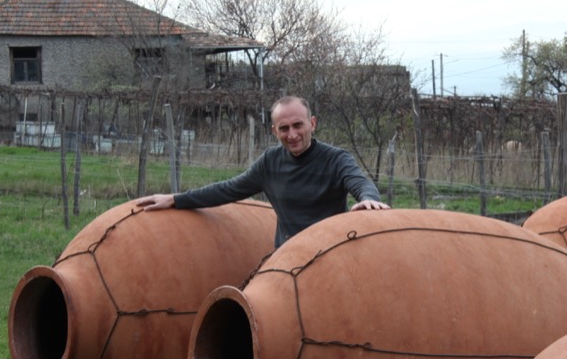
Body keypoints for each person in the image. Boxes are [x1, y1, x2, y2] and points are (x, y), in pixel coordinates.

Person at [136, 95, 390, 246]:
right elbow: (228, 189)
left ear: (312, 123)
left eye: (298, 125)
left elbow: (359, 182)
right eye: (283, 128)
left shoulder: (336, 159)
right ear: (274, 131)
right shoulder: (270, 162)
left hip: (330, 252)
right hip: (286, 256)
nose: (292, 135)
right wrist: (175, 199)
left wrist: (369, 200)